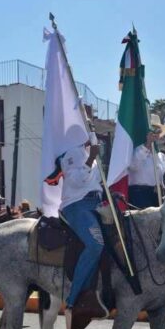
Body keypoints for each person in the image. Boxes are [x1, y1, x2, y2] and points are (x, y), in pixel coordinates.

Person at [57, 134, 106, 318]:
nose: (91, 130)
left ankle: (96, 293)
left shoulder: (89, 153)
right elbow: (75, 181)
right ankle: (73, 298)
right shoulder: (71, 153)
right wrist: (92, 157)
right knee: (95, 244)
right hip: (77, 204)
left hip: (96, 203)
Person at [127, 114, 165, 210]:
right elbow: (133, 166)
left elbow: (164, 177)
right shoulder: (135, 149)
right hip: (139, 194)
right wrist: (147, 145)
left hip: (158, 194)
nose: (156, 133)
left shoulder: (160, 156)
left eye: (158, 130)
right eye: (153, 129)